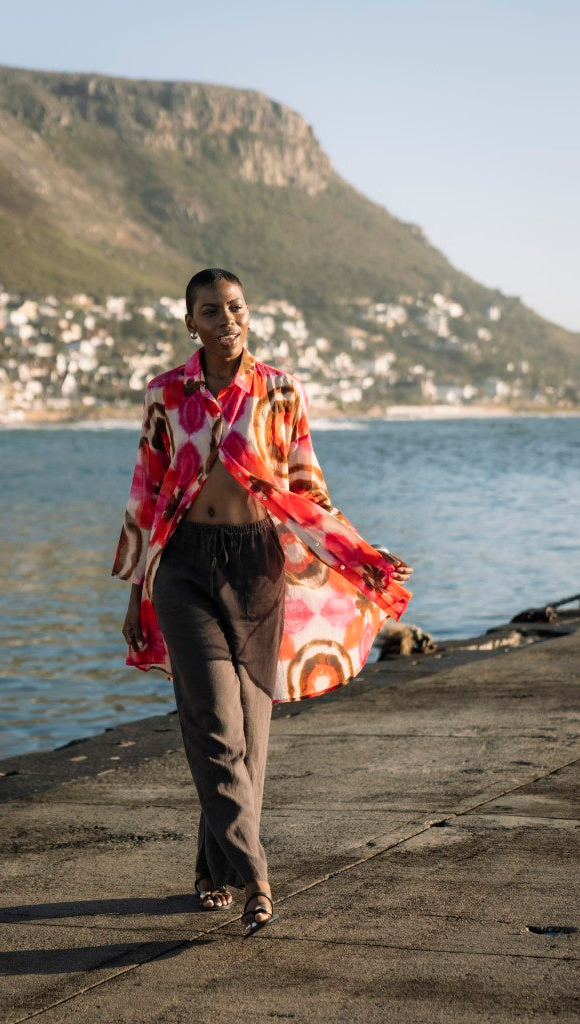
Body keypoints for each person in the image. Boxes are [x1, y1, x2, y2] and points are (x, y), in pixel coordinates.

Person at [112, 268, 413, 936]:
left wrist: (364, 554)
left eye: (235, 309)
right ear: (189, 321)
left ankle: (207, 869)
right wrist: (136, 588)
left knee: (247, 737)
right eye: (211, 311)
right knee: (214, 722)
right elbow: (147, 488)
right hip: (184, 567)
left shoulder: (277, 389)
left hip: (257, 569)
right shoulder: (166, 393)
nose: (226, 321)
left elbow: (307, 488)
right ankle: (256, 876)